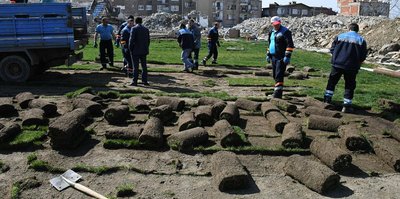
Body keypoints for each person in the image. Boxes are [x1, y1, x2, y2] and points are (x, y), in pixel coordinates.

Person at [323, 23, 367, 113]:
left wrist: (336, 57)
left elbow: (332, 49)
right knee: (349, 85)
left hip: (337, 64)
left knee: (332, 82)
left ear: (349, 28)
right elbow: (363, 56)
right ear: (357, 30)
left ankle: (327, 100)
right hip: (352, 67)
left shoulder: (340, 36)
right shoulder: (361, 40)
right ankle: (346, 105)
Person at [266, 16, 294, 98]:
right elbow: (270, 44)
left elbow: (290, 44)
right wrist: (268, 54)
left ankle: (277, 95)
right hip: (273, 57)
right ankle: (277, 90)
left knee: (279, 75)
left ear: (280, 23)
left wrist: (287, 56)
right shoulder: (271, 32)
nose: (276, 26)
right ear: (271, 24)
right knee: (275, 75)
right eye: (274, 24)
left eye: (277, 24)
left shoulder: (285, 32)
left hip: (281, 57)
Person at [129, 17, 150, 86]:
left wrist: (130, 48)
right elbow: (148, 40)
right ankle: (145, 81)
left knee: (136, 66)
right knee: (144, 66)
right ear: (141, 21)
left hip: (135, 50)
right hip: (144, 50)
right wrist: (146, 48)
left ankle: (135, 81)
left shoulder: (134, 29)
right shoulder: (146, 29)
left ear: (135, 21)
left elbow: (131, 40)